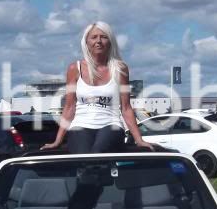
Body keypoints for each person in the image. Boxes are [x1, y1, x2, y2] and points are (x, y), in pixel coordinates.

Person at [42, 22, 154, 153]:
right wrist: (57, 141)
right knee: (83, 158)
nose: (99, 41)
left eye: (103, 37)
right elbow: (69, 107)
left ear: (110, 41)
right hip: (81, 125)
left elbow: (126, 107)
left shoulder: (120, 69)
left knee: (98, 153)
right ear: (86, 42)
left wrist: (139, 140)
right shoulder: (75, 69)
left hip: (111, 124)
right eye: (94, 37)